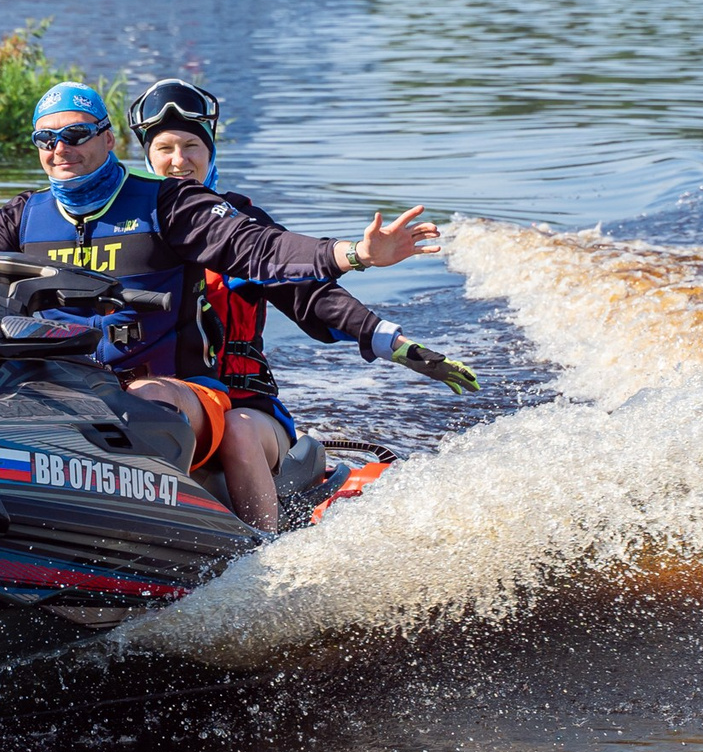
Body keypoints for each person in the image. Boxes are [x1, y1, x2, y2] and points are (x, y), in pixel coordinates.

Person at [0, 81, 433, 531]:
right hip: (61, 387)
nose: (59, 149)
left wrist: (357, 256)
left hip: (180, 393)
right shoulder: (22, 216)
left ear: (107, 138)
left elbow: (267, 256)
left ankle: (259, 562)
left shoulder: (173, 205)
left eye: (74, 135)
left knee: (145, 398)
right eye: (46, 140)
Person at [124, 79, 478, 495]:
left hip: (242, 409)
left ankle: (262, 552)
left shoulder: (241, 230)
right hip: (152, 402)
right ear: (147, 157)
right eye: (165, 148)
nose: (179, 160)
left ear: (211, 151)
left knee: (237, 430)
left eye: (191, 146)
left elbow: (307, 294)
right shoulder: (125, 234)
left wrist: (395, 344)